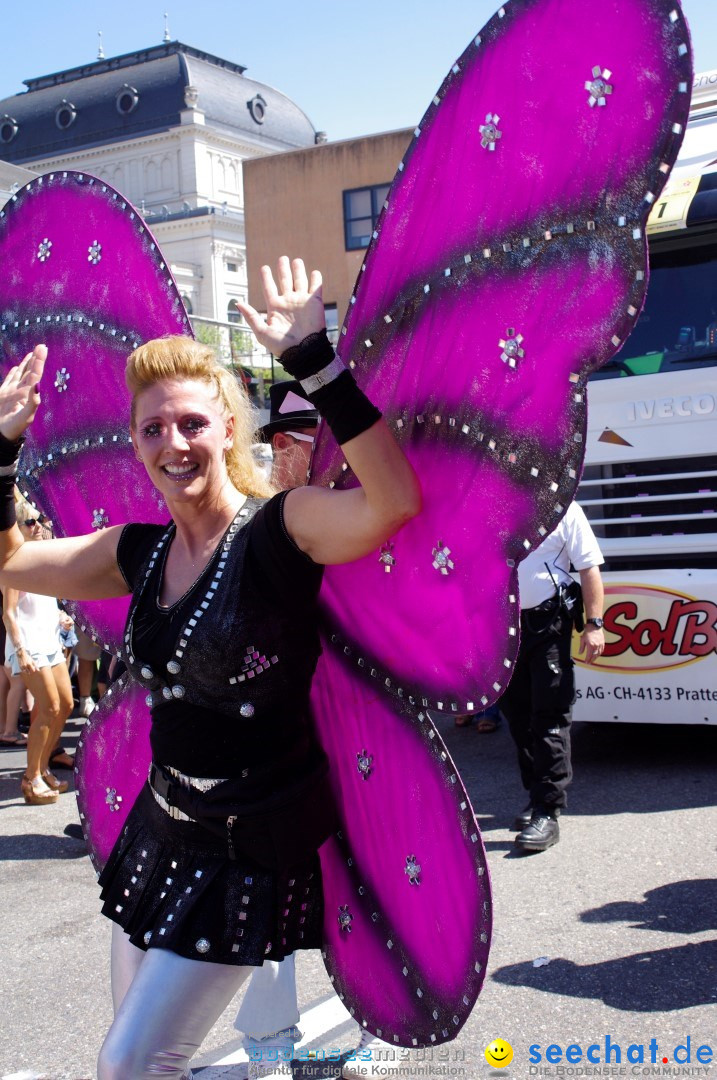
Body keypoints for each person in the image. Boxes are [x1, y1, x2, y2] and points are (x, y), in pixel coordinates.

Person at [0, 256, 421, 1080]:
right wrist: (0, 449)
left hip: (250, 850)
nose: (174, 444)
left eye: (192, 423)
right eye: (152, 429)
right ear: (134, 443)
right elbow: (14, 563)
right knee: (140, 1049)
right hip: (160, 835)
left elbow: (391, 502)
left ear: (228, 428)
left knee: (129, 1064)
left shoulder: (281, 531)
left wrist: (316, 363)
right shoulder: (138, 551)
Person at [499, 500, 605, 853]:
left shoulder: (565, 504)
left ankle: (548, 810)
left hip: (549, 622)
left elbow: (589, 567)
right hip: (502, 624)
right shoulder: (494, 496)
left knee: (550, 715)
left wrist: (594, 625)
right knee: (517, 716)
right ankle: (535, 796)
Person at [2, 505, 74, 804]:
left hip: (49, 642)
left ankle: (42, 768)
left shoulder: (42, 558)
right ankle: (31, 778)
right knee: (49, 708)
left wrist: (61, 616)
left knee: (66, 705)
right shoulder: (14, 562)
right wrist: (20, 651)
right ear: (17, 527)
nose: (38, 526)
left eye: (40, 520)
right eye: (30, 522)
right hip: (29, 646)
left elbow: (43, 602)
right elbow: (8, 613)